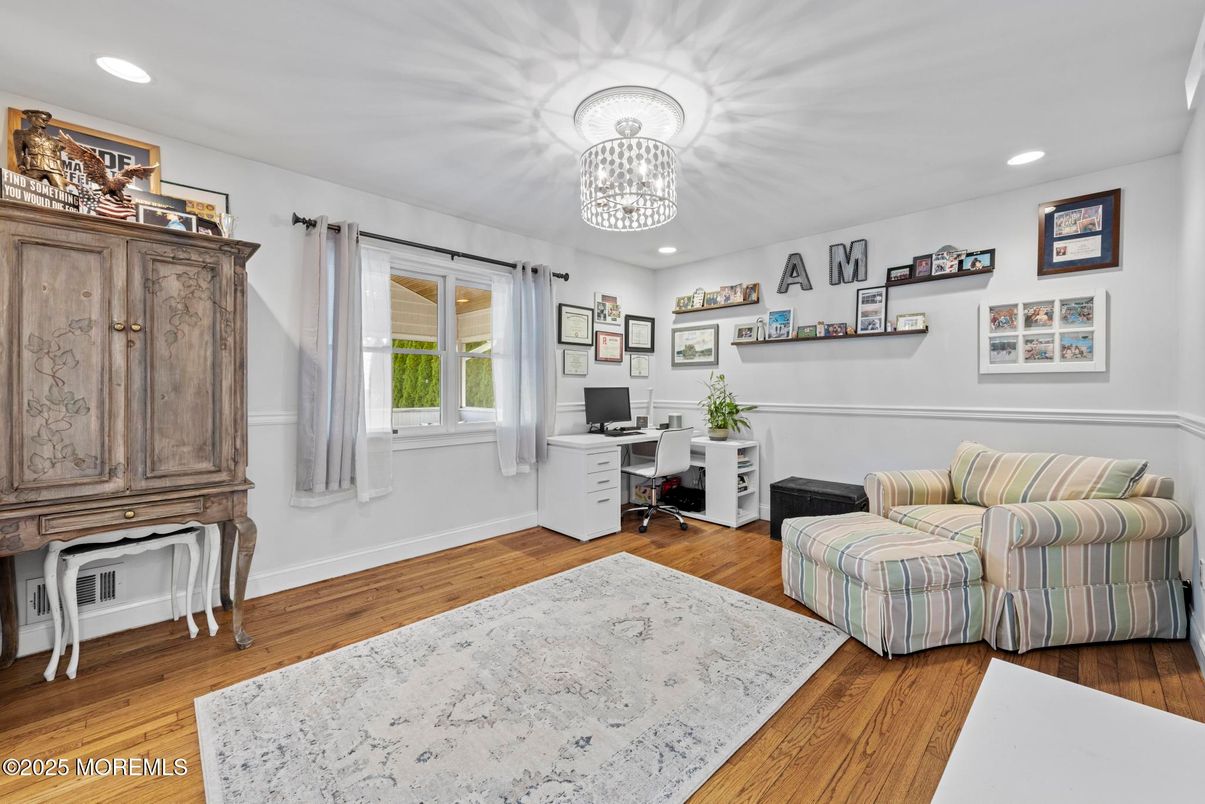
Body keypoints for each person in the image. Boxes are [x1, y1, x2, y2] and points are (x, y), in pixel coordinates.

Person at [12, 110, 69, 190]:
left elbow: (58, 157)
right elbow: (19, 150)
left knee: (62, 192)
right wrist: (21, 164)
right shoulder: (21, 133)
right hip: (34, 166)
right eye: (43, 119)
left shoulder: (53, 140)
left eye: (47, 120)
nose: (46, 122)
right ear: (33, 118)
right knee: (28, 191)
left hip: (53, 168)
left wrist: (63, 174)